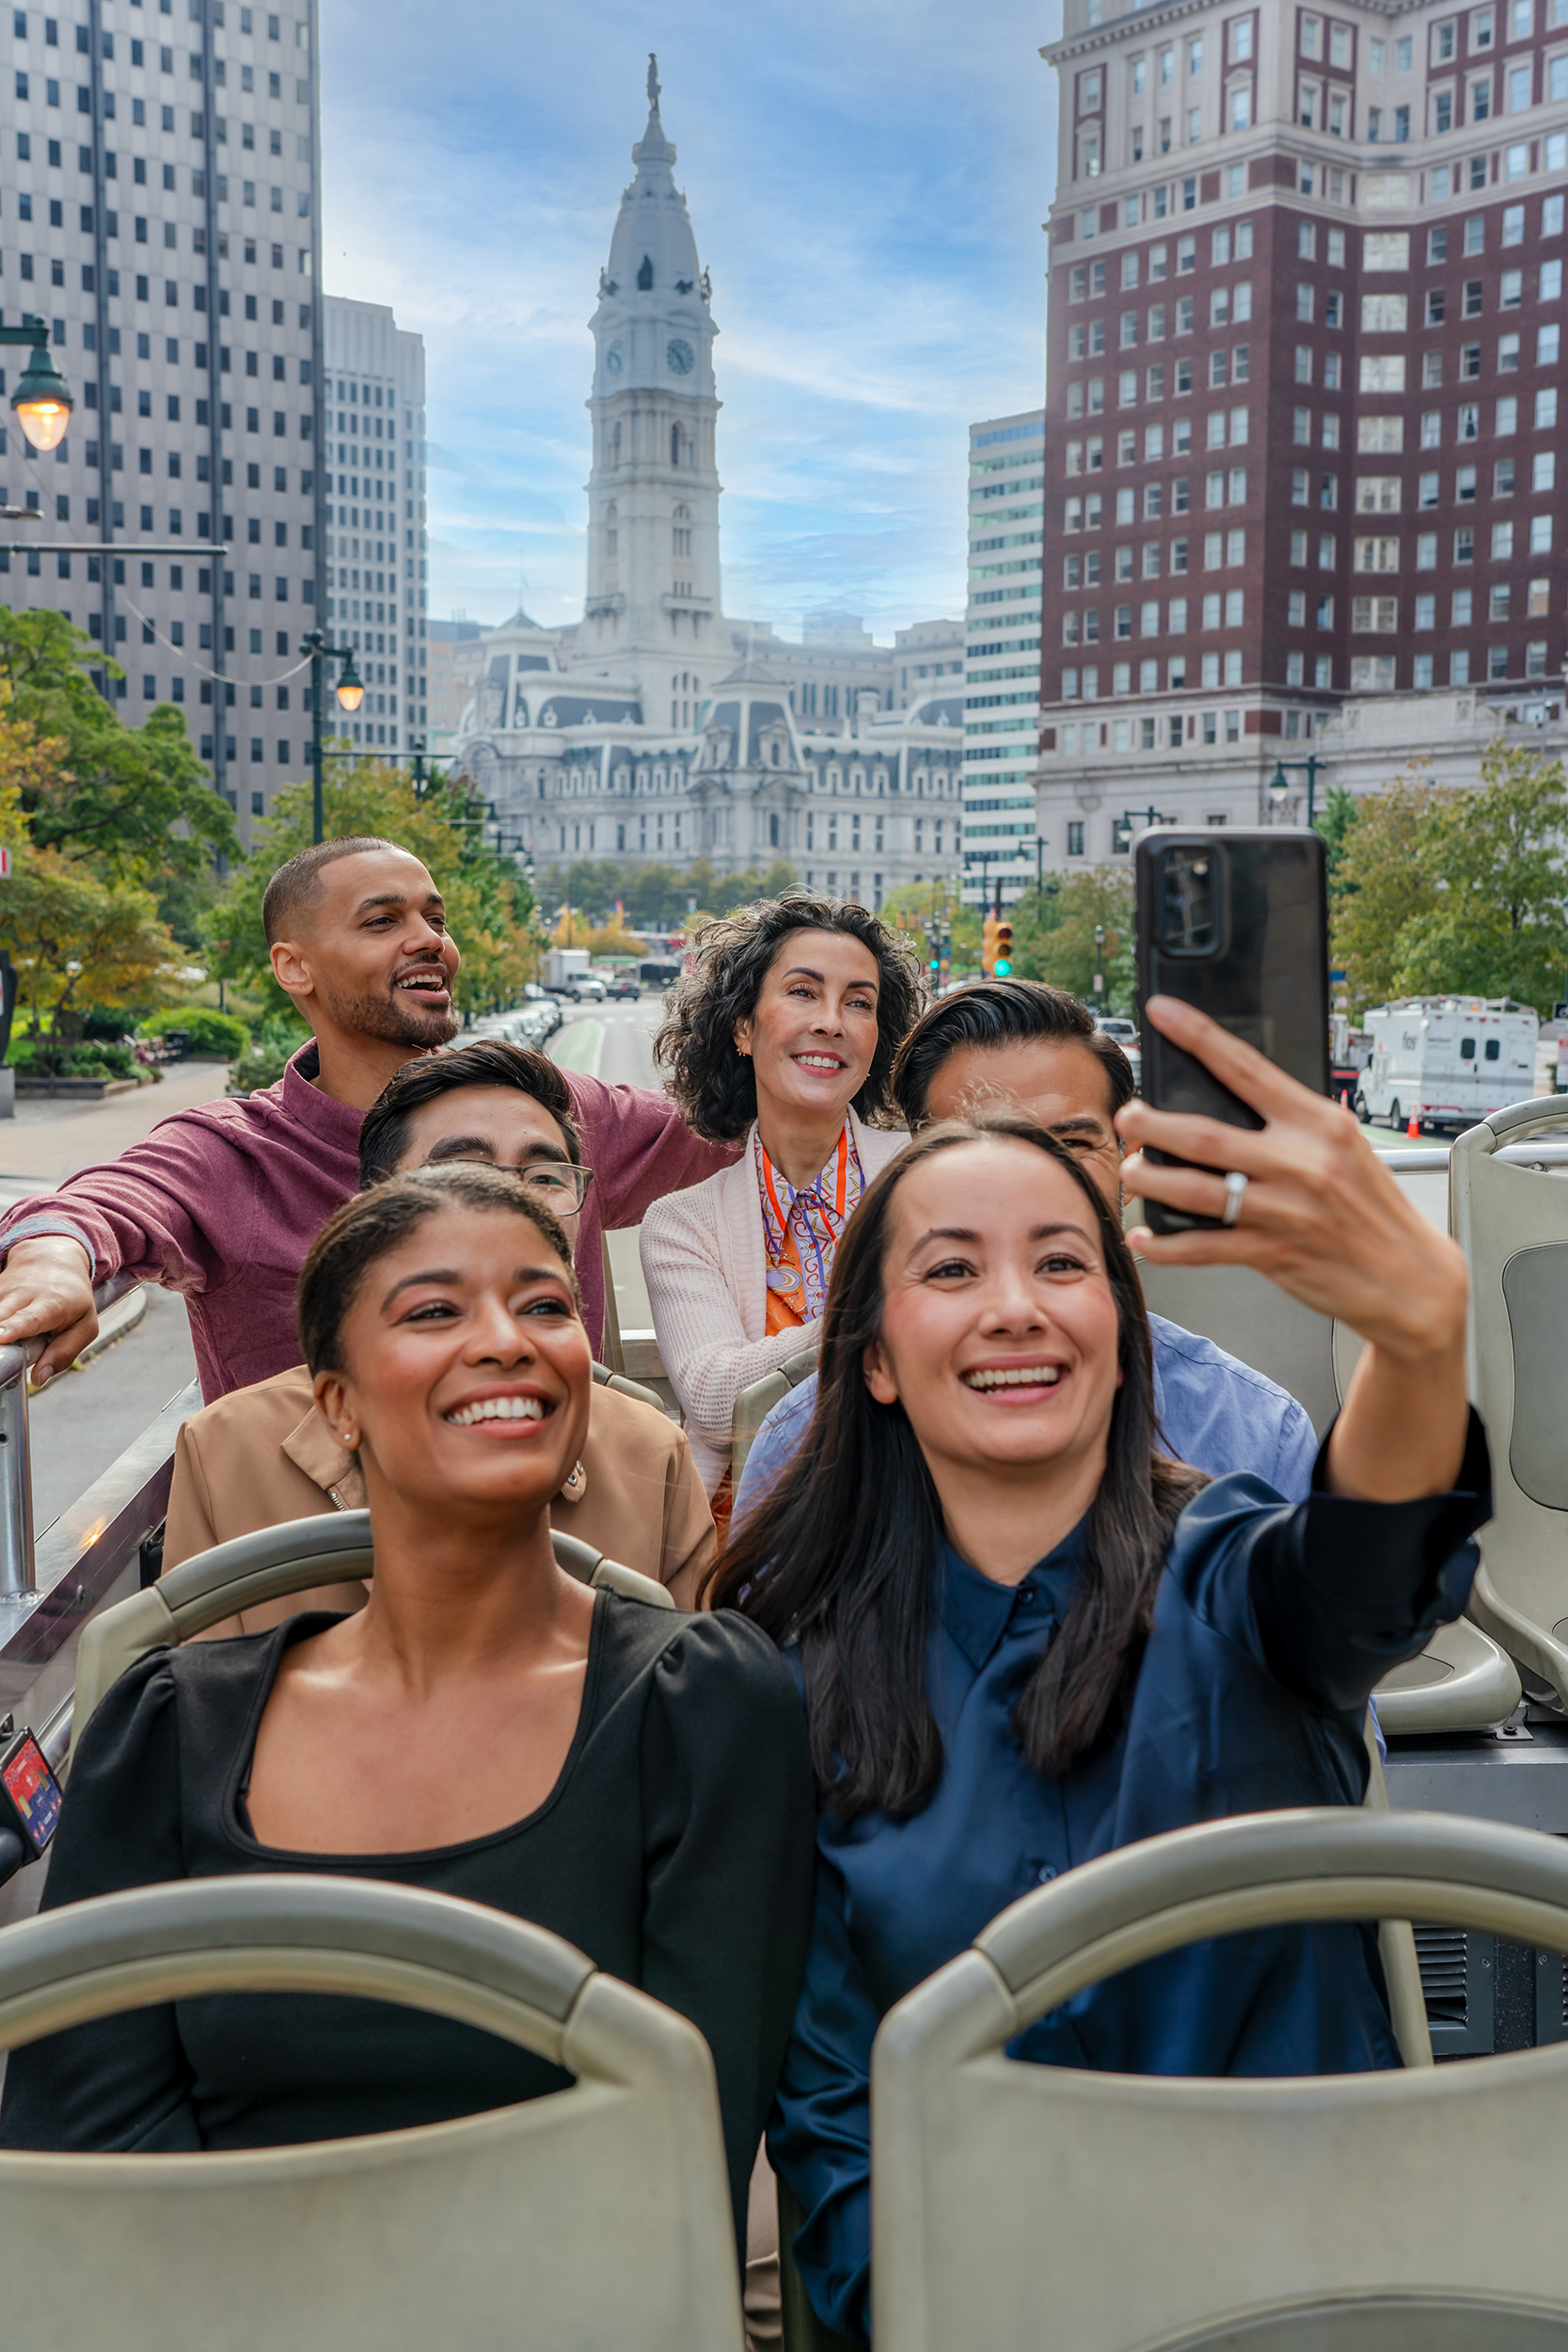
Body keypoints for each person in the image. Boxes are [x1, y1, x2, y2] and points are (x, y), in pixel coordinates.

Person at [714, 995, 1488, 2344]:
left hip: (1299, 2294)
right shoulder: (792, 1669)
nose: (1014, 1311)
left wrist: (1416, 1336)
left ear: (1123, 1326)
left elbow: (1366, 1574)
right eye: (950, 1273)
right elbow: (831, 2109)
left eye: (1062, 1266)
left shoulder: (1234, 1582)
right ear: (876, 1359)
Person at [1, 1162, 816, 2261]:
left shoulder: (705, 1702)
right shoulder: (168, 1727)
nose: (505, 1340)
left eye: (545, 1304)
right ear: (336, 1403)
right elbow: (82, 2137)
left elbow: (682, 2141)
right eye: (435, 1310)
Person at [0, 835, 733, 1397]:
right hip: (315, 1568)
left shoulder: (551, 1109)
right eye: (383, 920)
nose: (428, 939)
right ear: (294, 967)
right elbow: (97, 1203)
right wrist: (52, 1259)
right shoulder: (235, 1152)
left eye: (434, 917)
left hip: (556, 1543)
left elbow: (741, 1131)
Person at [732, 977, 1318, 1523]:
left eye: (1070, 1142)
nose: (1030, 1178)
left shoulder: (1255, 1435)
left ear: (1127, 1155)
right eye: (980, 1144)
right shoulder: (801, 1442)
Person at [164, 1040, 717, 1610]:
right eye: (463, 1169)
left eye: (546, 1175)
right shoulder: (229, 1459)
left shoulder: (652, 1459)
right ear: (375, 1206)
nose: (509, 1196)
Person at [640, 897, 925, 1501]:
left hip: (919, 1516)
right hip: (748, 1539)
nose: (832, 1022)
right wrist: (884, 1306)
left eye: (859, 1002)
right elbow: (721, 1404)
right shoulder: (681, 1224)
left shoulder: (929, 1175)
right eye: (802, 992)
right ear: (742, 1027)